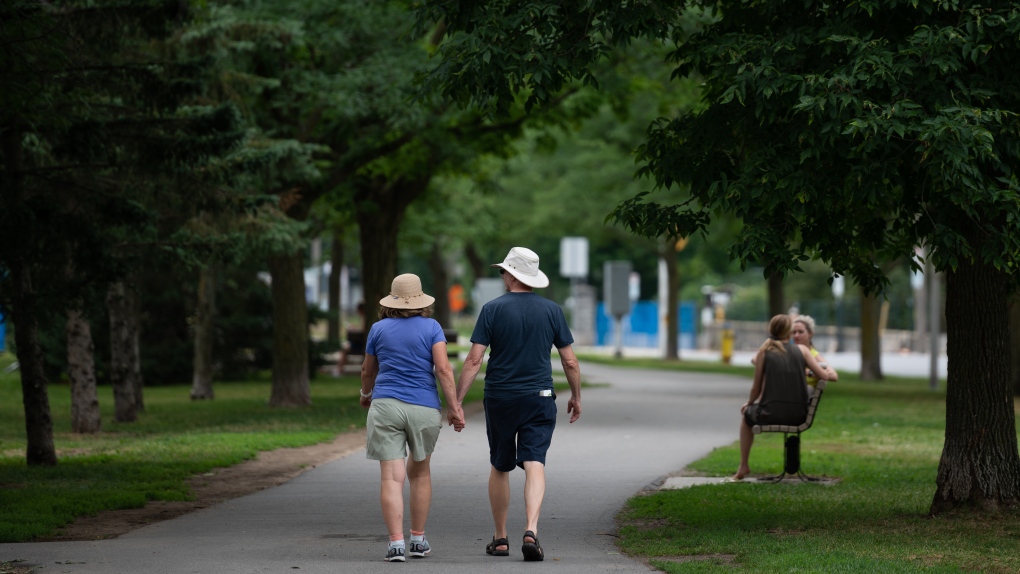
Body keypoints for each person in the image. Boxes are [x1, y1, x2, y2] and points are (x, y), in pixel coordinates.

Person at [457, 246, 582, 562]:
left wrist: (457, 400)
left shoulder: (492, 309)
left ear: (511, 274)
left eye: (502, 271)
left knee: (500, 464)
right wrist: (576, 396)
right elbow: (570, 362)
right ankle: (531, 529)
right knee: (535, 462)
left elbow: (474, 359)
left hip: (500, 397)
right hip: (539, 397)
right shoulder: (552, 311)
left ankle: (500, 538)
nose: (501, 276)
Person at [360, 274, 465, 562]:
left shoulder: (378, 329)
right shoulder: (432, 327)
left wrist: (365, 394)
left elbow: (368, 370)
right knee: (419, 473)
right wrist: (454, 408)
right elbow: (444, 370)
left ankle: (396, 545)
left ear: (391, 301)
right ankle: (417, 540)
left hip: (386, 406)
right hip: (423, 408)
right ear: (421, 301)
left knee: (391, 479)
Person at [733, 314, 836, 480]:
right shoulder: (803, 350)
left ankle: (743, 465)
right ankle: (744, 465)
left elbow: (756, 388)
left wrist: (749, 403)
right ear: (789, 331)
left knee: (746, 416)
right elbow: (824, 376)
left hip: (769, 414)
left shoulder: (763, 353)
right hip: (799, 415)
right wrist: (812, 370)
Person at [791, 314, 839, 388]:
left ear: (810, 333)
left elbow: (834, 376)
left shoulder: (814, 355)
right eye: (794, 332)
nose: (796, 335)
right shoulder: (790, 352)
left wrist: (809, 372)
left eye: (800, 332)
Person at [337, 302, 365, 375]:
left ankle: (339, 370)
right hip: (360, 342)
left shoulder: (364, 319)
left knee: (344, 350)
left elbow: (362, 331)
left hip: (360, 344)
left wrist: (354, 329)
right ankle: (340, 370)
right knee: (345, 347)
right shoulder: (363, 318)